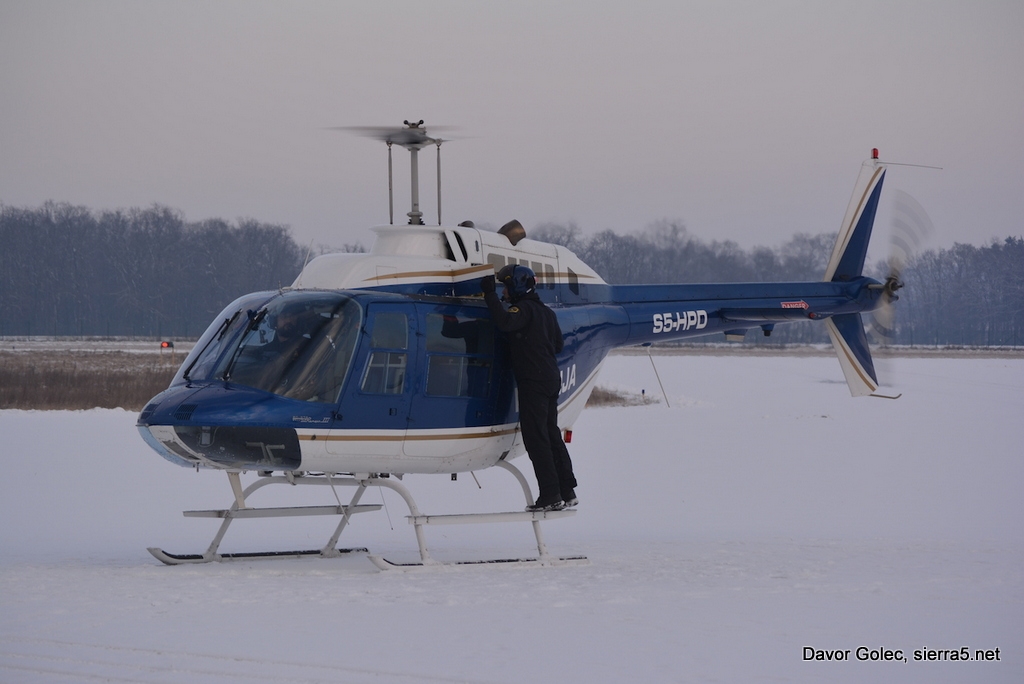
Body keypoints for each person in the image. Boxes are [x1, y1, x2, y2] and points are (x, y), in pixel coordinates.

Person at [481, 264, 578, 512]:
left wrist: (489, 295)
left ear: (517, 286)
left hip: (533, 381)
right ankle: (567, 490)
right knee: (551, 433)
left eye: (505, 287)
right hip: (550, 379)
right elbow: (557, 345)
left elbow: (504, 322)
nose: (503, 293)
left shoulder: (523, 310)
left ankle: (550, 494)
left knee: (536, 438)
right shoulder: (546, 312)